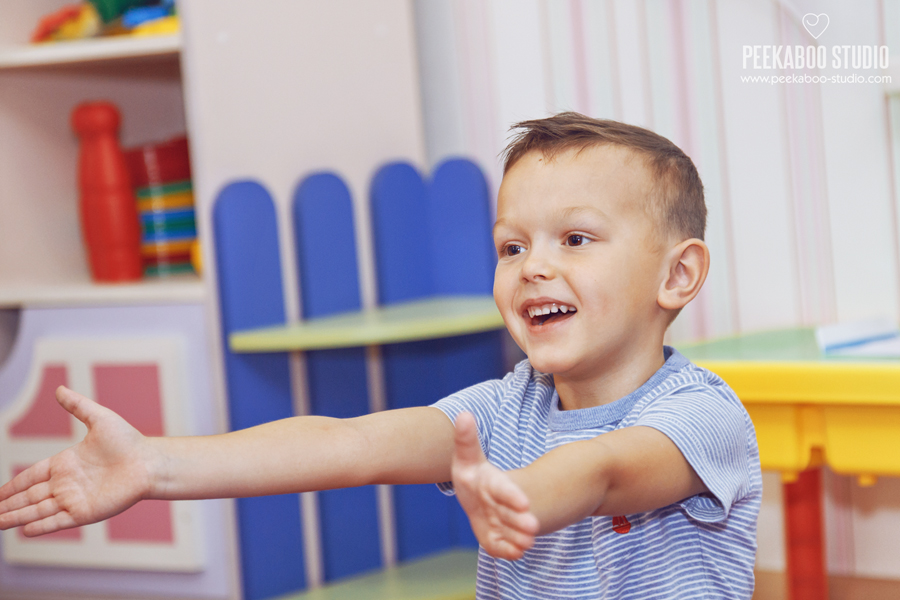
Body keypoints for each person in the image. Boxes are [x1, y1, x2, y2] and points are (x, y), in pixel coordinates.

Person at [0, 113, 761, 599]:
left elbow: (603, 473)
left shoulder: (701, 414)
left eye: (576, 239)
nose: (532, 266)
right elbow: (347, 443)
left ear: (677, 274)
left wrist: (519, 496)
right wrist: (157, 465)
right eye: (511, 245)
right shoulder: (501, 409)